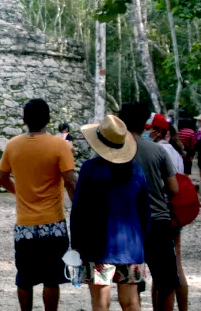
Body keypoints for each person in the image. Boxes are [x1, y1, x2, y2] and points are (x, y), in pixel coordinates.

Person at [0, 99, 77, 311]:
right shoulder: (60, 145)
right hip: (54, 222)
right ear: (48, 120)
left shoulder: (12, 145)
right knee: (52, 278)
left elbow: (2, 178)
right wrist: (78, 206)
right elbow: (70, 180)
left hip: (25, 225)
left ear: (24, 121)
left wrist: (19, 192)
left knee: (24, 277)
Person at [73, 114, 150, 311]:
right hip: (131, 246)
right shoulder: (136, 170)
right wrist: (143, 243)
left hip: (98, 246)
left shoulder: (90, 170)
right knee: (131, 302)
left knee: (101, 302)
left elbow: (79, 211)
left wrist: (77, 246)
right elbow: (144, 211)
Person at [120, 102, 180, 311]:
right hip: (157, 221)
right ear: (144, 123)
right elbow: (174, 189)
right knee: (166, 280)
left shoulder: (110, 152)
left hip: (124, 225)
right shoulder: (157, 151)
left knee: (130, 281)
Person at [148, 115, 190, 310]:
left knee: (161, 271)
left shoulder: (158, 150)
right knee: (175, 266)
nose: (149, 133)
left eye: (152, 130)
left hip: (162, 214)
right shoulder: (176, 151)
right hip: (175, 212)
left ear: (160, 132)